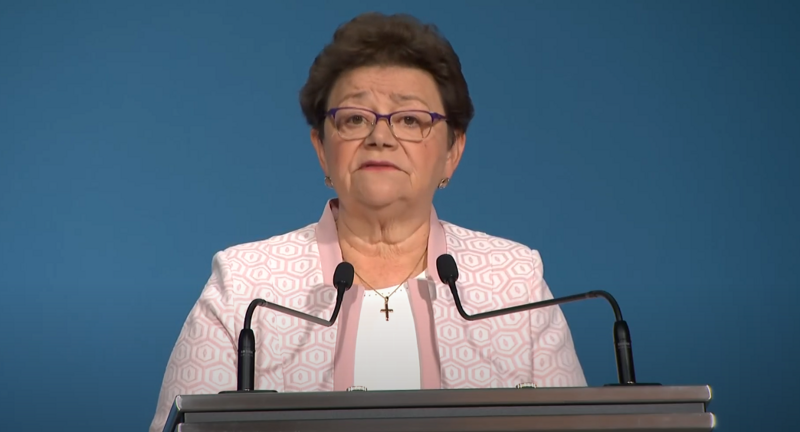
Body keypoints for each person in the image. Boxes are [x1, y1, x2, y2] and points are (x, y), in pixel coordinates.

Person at [148, 11, 586, 432]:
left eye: (410, 119)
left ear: (452, 151)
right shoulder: (244, 287)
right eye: (355, 118)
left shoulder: (516, 283)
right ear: (322, 148)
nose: (380, 137)